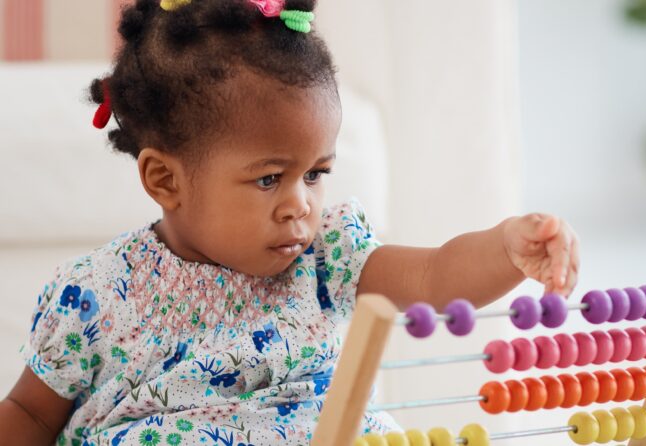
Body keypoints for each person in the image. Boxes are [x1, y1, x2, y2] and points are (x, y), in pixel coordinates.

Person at [0, 0, 579, 444]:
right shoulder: (95, 293)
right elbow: (28, 412)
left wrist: (506, 250)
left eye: (317, 173)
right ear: (166, 181)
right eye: (269, 178)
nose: (299, 203)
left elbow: (435, 276)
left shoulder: (328, 255)